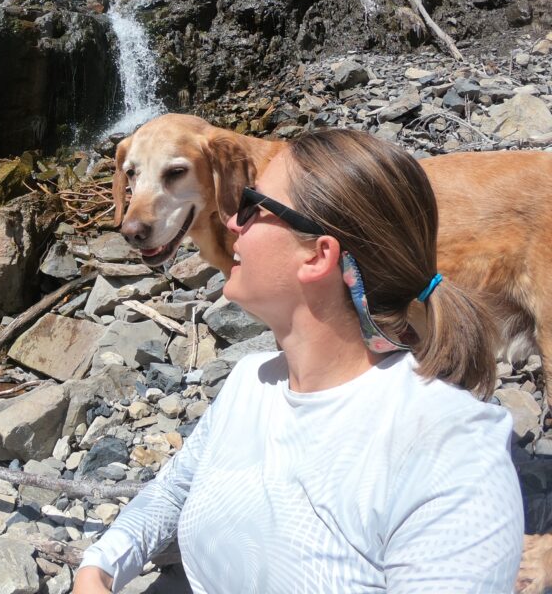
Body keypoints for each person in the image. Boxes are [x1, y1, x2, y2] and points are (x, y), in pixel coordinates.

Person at [74, 129, 524, 594]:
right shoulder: (253, 380)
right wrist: (99, 568)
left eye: (251, 208)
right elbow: (172, 490)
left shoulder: (454, 451)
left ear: (318, 256)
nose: (230, 223)